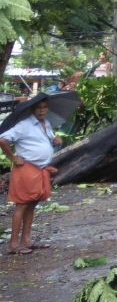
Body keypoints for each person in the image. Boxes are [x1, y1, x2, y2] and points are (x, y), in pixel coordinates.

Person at [0, 97, 62, 255]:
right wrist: (13, 158)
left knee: (32, 203)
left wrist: (55, 140)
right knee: (21, 204)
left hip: (40, 169)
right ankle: (13, 244)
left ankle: (26, 239)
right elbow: (3, 140)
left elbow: (46, 141)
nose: (42, 110)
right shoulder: (24, 125)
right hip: (27, 167)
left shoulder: (46, 124)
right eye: (39, 107)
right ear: (32, 109)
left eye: (45, 107)